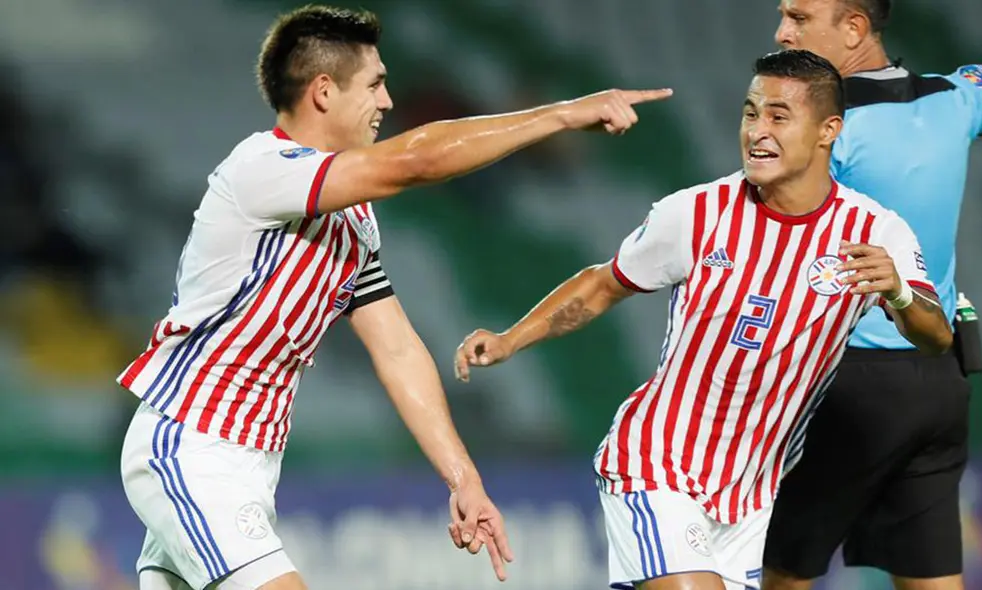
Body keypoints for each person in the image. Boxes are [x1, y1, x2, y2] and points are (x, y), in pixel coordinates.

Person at [116, 6, 672, 590]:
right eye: (376, 84)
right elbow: (419, 160)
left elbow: (398, 349)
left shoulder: (352, 215)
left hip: (248, 464)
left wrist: (462, 477)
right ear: (324, 92)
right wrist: (558, 115)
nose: (387, 101)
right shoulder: (262, 170)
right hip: (192, 446)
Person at [454, 49, 953, 590]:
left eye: (778, 116)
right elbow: (603, 283)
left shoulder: (875, 231)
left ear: (828, 130)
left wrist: (900, 293)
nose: (757, 131)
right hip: (656, 467)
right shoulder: (696, 212)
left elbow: (935, 337)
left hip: (751, 498)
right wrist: (510, 340)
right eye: (750, 112)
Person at [762, 2, 982, 589]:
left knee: (781, 573)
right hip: (937, 381)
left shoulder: (819, 129)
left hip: (846, 386)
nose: (782, 32)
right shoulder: (958, 98)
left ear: (853, 29)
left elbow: (769, 249)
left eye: (798, 17)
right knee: (932, 578)